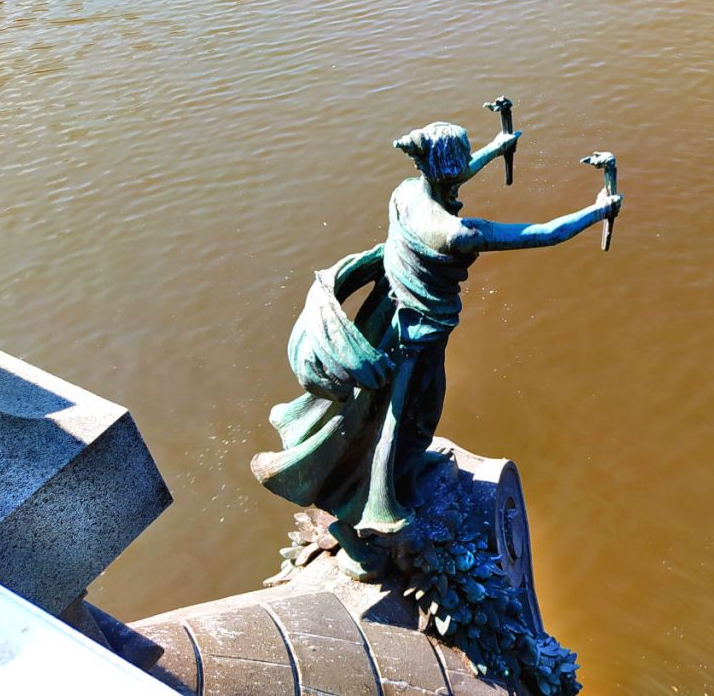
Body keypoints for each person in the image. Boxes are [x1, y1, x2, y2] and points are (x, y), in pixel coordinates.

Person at [252, 119, 621, 574]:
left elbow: (453, 173)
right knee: (406, 423)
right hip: (414, 345)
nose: (467, 168)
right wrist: (599, 209)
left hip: (388, 322)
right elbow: (544, 233)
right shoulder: (458, 233)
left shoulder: (408, 192)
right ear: (450, 167)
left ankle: (384, 482)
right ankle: (358, 525)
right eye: (464, 160)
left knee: (389, 420)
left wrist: (496, 146)